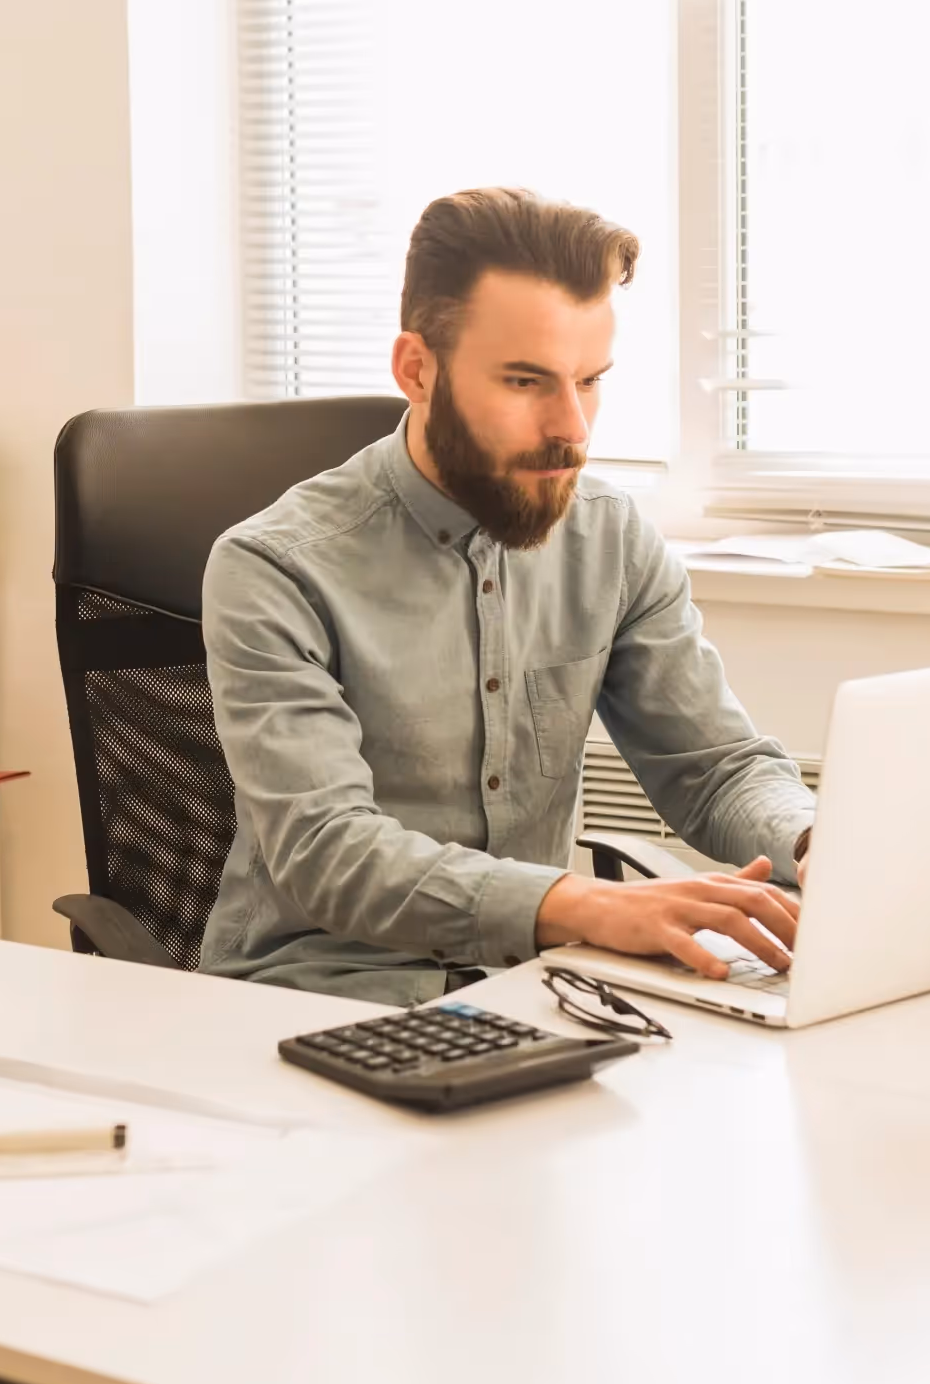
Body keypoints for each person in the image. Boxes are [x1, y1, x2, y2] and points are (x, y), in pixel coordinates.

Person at [199, 187, 812, 1004]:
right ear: (417, 370)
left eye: (589, 381)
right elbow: (326, 851)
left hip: (534, 990)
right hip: (315, 996)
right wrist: (585, 906)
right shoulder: (273, 568)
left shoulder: (610, 539)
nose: (574, 428)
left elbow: (716, 768)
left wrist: (815, 842)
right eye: (527, 383)